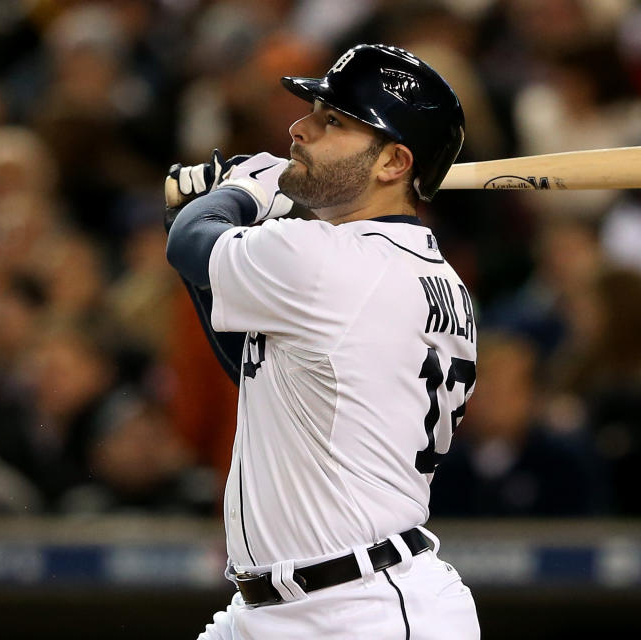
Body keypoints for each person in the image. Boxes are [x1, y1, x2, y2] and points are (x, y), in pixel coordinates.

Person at [164, 44, 479, 639]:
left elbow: (190, 243)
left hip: (363, 612)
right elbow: (261, 377)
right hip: (281, 609)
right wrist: (201, 216)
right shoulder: (427, 274)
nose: (298, 128)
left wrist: (242, 194)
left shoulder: (331, 262)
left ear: (393, 163)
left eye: (332, 121)